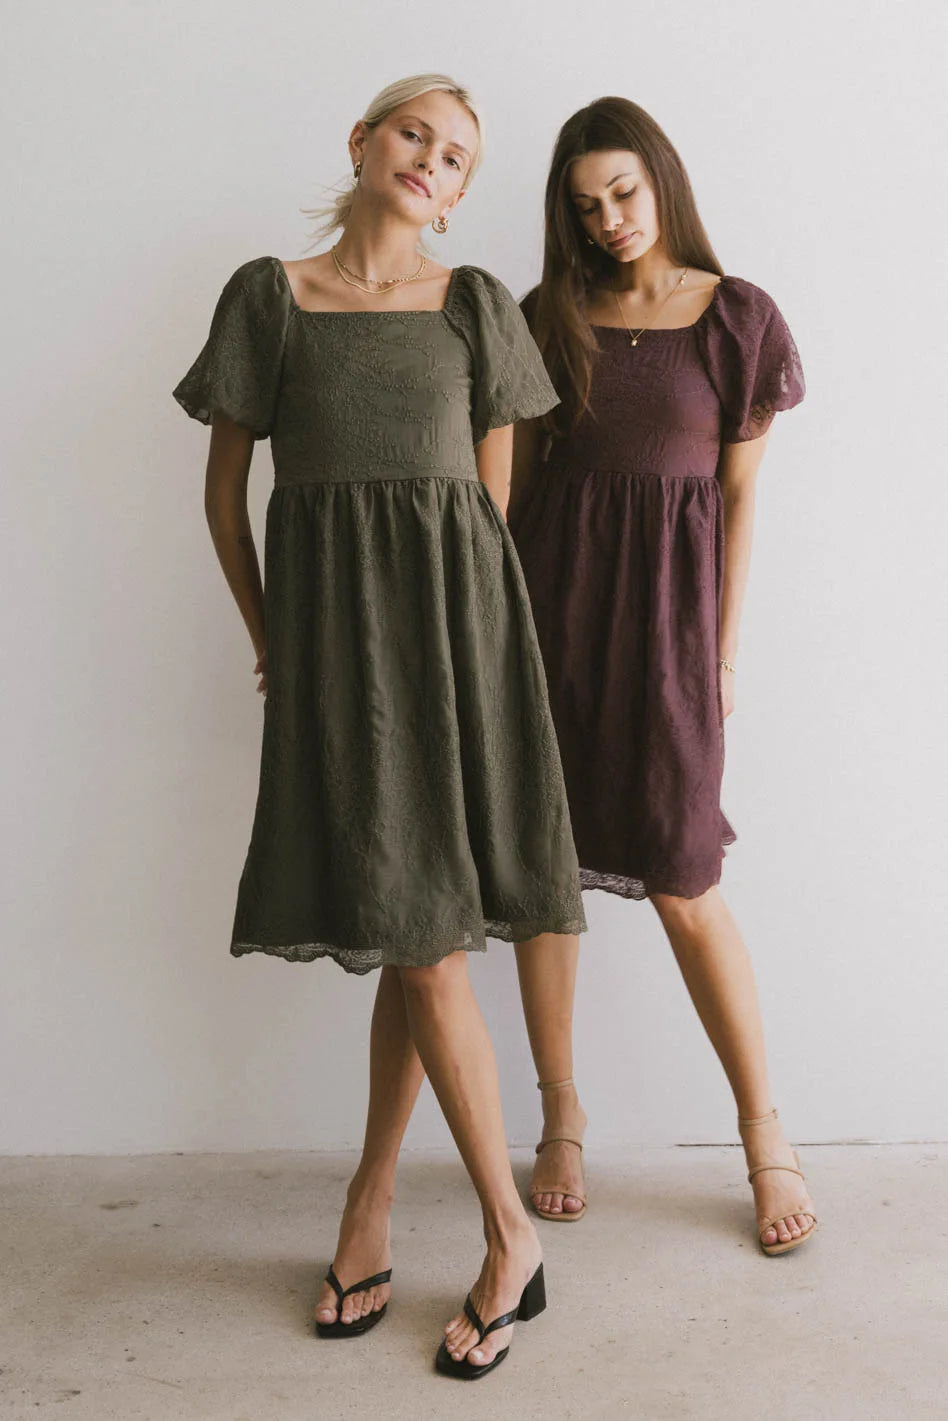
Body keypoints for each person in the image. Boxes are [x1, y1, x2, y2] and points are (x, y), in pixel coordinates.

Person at [172, 74, 585, 1376]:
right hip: (339, 660)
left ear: (458, 197)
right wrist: (275, 639)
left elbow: (486, 507)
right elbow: (225, 495)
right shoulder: (269, 298)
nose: (431, 160)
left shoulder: (473, 305)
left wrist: (470, 650)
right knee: (420, 934)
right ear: (361, 142)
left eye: (457, 157)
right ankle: (386, 1207)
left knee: (426, 939)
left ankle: (499, 1236)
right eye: (416, 133)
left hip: (461, 654)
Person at [508, 97, 816, 1256]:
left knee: (687, 878)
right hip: (548, 622)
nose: (610, 220)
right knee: (545, 876)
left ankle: (764, 1131)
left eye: (625, 193)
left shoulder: (738, 318)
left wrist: (722, 651)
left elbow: (737, 496)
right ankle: (561, 1116)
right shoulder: (545, 319)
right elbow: (512, 489)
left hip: (672, 631)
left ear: (663, 182)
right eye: (587, 206)